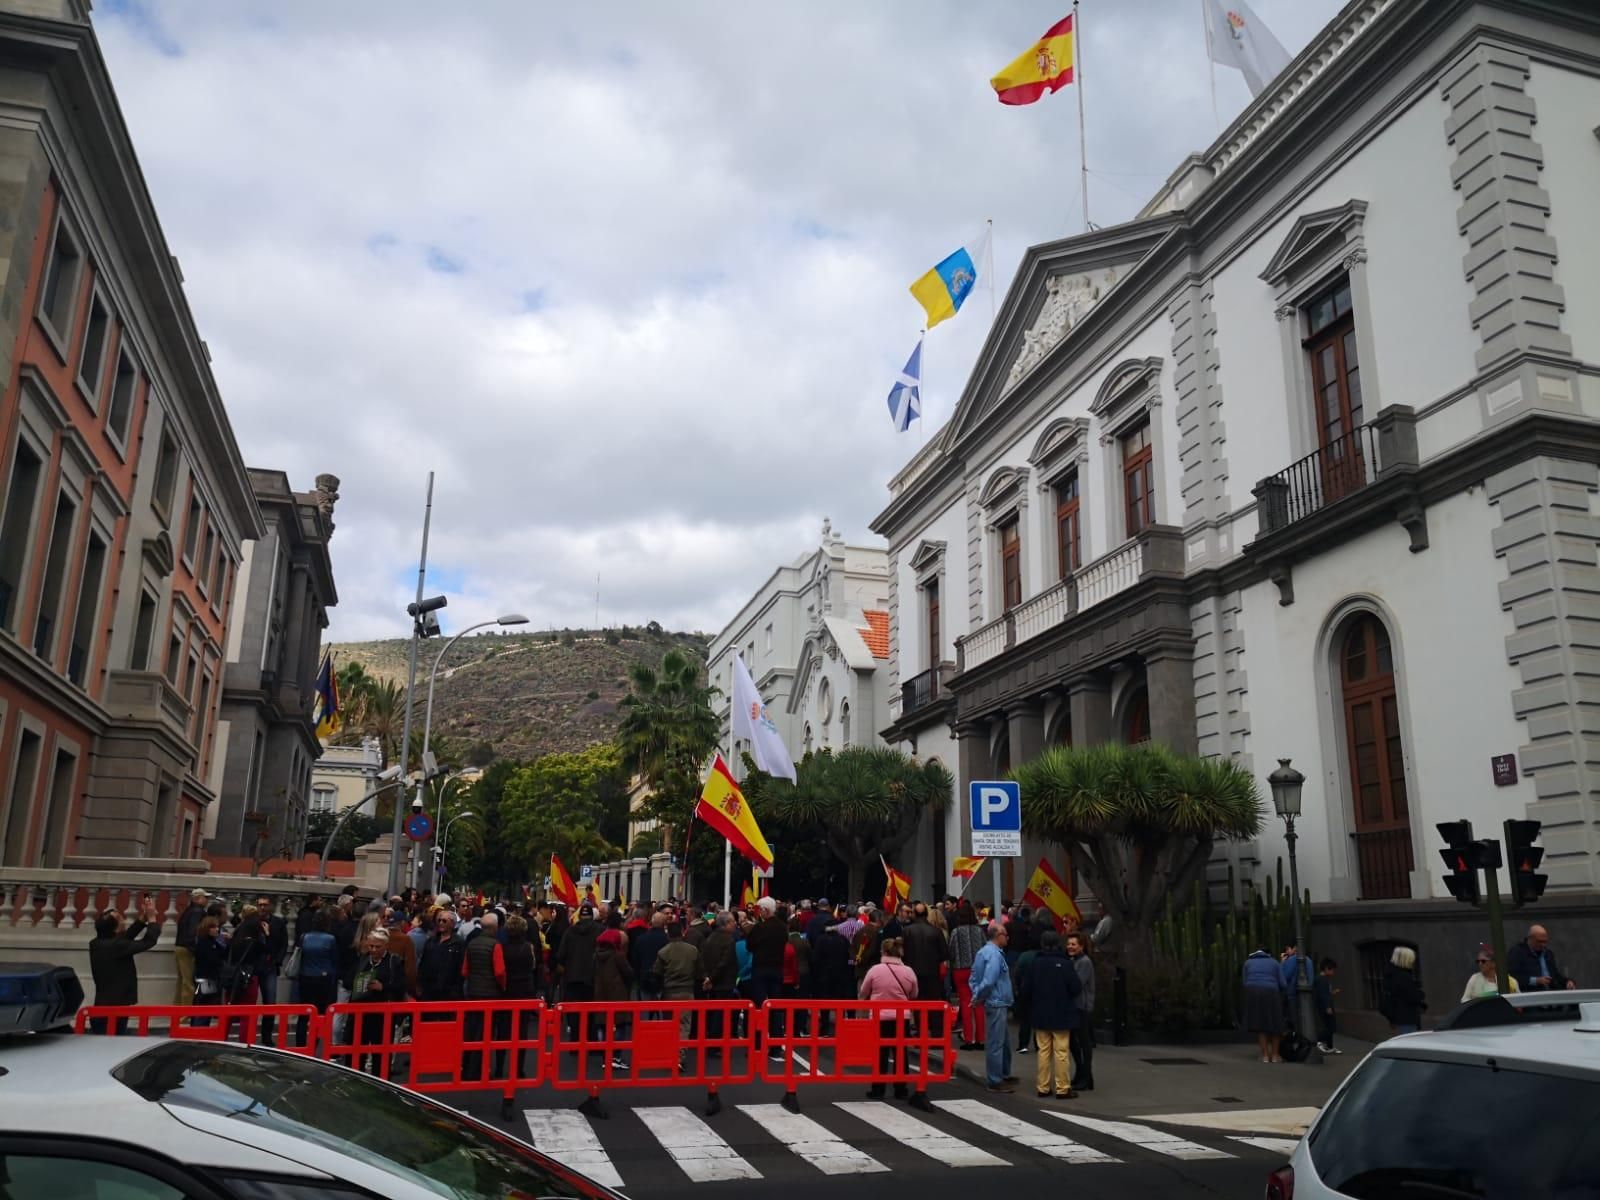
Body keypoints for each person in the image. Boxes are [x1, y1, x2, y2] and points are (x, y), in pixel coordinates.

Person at [1018, 930, 1080, 1099]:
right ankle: (1063, 1087)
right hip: (1061, 1013)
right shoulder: (1065, 963)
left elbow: (1025, 989)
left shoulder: (1035, 963)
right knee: (1061, 1052)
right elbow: (1075, 987)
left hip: (1040, 1013)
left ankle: (1043, 1087)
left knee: (1043, 1051)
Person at [87, 897, 161, 1031]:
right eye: (120, 919)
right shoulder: (116, 946)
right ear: (115, 929)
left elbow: (124, 938)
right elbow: (148, 942)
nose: (124, 920)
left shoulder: (96, 943)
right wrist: (152, 921)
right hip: (114, 1009)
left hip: (104, 1004)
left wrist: (141, 920)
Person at [858, 936, 918, 1100]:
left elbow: (863, 992)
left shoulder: (875, 970)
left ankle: (878, 1089)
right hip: (902, 1016)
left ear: (883, 952)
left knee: (880, 1053)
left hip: (880, 1016)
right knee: (900, 1052)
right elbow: (914, 993)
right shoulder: (908, 971)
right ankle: (900, 1088)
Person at [349, 928, 407, 1074]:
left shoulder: (394, 961)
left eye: (377, 946)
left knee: (380, 1054)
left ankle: (381, 1083)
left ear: (386, 945)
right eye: (371, 946)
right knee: (357, 1051)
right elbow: (349, 978)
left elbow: (401, 986)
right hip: (361, 1011)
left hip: (383, 1014)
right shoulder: (363, 959)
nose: (373, 949)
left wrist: (383, 987)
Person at [968, 920, 1015, 1092]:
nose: (1008, 938)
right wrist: (978, 996)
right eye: (1005, 935)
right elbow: (989, 980)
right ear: (998, 936)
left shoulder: (983, 952)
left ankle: (1003, 1073)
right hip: (997, 1001)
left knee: (1003, 1041)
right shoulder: (995, 955)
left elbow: (973, 977)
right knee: (997, 1042)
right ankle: (996, 1079)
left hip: (994, 1001)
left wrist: (976, 994)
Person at [901, 903, 948, 1041]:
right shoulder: (936, 931)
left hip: (913, 972)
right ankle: (936, 1034)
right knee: (933, 1003)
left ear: (914, 914)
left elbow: (903, 953)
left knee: (917, 1004)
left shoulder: (907, 931)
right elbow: (944, 954)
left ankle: (921, 1034)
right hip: (932, 973)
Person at [652, 922, 703, 1045]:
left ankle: (669, 1050)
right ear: (682, 932)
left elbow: (656, 972)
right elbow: (699, 972)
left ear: (668, 934)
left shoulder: (663, 952)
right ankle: (680, 1054)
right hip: (687, 992)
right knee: (684, 1025)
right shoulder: (692, 950)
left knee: (669, 1023)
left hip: (669, 992)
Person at [296, 909, 340, 1047]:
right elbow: (334, 960)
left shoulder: (304, 937)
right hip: (323, 978)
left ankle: (300, 1042)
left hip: (305, 976)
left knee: (304, 1012)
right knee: (320, 1012)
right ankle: (314, 1042)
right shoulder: (330, 939)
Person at [948, 903, 986, 1051]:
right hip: (977, 969)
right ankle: (980, 1039)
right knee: (978, 1003)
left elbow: (950, 950)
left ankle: (968, 1038)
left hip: (960, 969)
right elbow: (985, 949)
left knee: (965, 1003)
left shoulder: (956, 932)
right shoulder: (979, 931)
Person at [1242, 946, 1287, 1062]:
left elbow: (1244, 981)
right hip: (1271, 992)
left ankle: (1265, 1056)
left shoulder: (1248, 963)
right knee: (1275, 1023)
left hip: (1253, 992)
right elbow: (1283, 983)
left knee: (1260, 1024)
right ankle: (1276, 1055)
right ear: (1269, 955)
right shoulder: (1274, 963)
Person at [1065, 933, 1096, 1090]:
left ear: (1081, 946)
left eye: (1074, 944)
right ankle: (1081, 1073)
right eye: (1069, 944)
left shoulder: (1084, 962)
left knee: (1084, 1042)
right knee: (1073, 1042)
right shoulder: (1073, 960)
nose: (1070, 946)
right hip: (1074, 1006)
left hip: (1082, 1006)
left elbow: (1077, 984)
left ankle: (1086, 1076)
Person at [1507, 923, 1577, 993]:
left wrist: (1567, 982)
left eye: (1545, 942)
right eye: (1539, 941)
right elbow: (1512, 978)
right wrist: (1536, 980)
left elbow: (1555, 975)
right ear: (1530, 939)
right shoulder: (1517, 952)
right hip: (1530, 994)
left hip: (1551, 992)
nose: (1543, 945)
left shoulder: (1548, 953)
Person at [1381, 945, 1426, 1035]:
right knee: (1410, 1042)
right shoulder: (1403, 976)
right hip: (1407, 1016)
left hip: (1398, 1015)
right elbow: (1413, 996)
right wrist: (1421, 994)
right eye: (1411, 959)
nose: (1413, 961)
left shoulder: (1390, 974)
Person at [173, 887, 207, 1005]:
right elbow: (193, 932)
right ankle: (185, 1013)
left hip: (180, 946)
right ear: (198, 898)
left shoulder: (188, 910)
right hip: (188, 948)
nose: (206, 900)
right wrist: (196, 948)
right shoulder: (198, 912)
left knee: (182, 980)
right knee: (188, 983)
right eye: (205, 897)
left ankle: (177, 1009)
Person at [192, 915, 228, 1013]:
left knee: (208, 1007)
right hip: (205, 979)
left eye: (217, 927)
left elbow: (224, 954)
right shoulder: (203, 942)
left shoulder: (213, 942)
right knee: (203, 1007)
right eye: (213, 927)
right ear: (206, 929)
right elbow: (212, 959)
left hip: (212, 978)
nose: (217, 929)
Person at [1313, 957, 1341, 1055]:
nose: (1333, 972)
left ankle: (1330, 1046)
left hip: (1324, 1005)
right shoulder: (1322, 980)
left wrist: (1332, 993)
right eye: (1332, 969)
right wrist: (1327, 1007)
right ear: (1326, 968)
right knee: (1330, 1027)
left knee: (1329, 1026)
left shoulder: (1322, 979)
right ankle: (1319, 1042)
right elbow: (1323, 995)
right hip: (1325, 1006)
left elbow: (1324, 993)